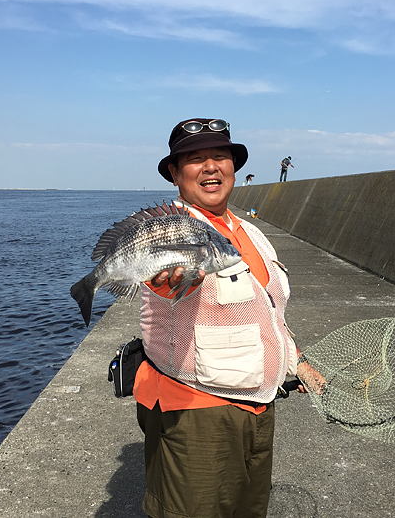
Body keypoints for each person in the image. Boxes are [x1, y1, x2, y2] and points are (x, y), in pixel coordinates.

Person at [134, 118, 303, 518]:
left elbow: (268, 310)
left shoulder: (248, 231)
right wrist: (166, 280)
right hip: (195, 411)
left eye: (219, 156)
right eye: (194, 160)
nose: (210, 167)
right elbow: (165, 281)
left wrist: (298, 362)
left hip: (259, 406)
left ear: (233, 167)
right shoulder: (168, 230)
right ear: (175, 174)